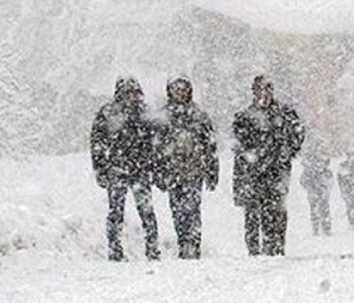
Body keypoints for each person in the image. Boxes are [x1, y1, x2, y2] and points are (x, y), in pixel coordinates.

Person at [233, 76, 305, 256]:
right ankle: (254, 249)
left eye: (267, 90)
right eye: (259, 90)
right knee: (252, 211)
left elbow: (298, 134)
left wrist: (287, 151)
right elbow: (238, 144)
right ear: (253, 92)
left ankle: (276, 246)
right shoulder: (245, 117)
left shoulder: (285, 113)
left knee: (276, 210)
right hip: (252, 171)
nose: (263, 94)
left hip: (277, 170)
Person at [90, 77, 160, 261]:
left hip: (140, 170)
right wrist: (100, 168)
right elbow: (97, 143)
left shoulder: (145, 113)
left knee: (147, 211)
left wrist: (154, 165)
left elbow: (156, 142)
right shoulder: (108, 113)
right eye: (128, 91)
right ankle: (114, 250)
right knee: (116, 212)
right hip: (117, 169)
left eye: (135, 91)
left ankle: (152, 249)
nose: (132, 95)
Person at [154, 77, 219, 260]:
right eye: (176, 89)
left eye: (183, 89)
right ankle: (183, 244)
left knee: (193, 210)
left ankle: (194, 245)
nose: (180, 93)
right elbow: (156, 148)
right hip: (172, 173)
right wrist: (158, 172)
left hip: (194, 172)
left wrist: (212, 171)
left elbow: (210, 145)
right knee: (177, 212)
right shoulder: (163, 116)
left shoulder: (199, 115)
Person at [299, 148, 334, 236]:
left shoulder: (311, 171)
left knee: (319, 210)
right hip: (317, 193)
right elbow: (303, 181)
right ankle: (322, 228)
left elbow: (303, 181)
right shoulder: (312, 171)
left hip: (318, 193)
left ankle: (321, 228)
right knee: (321, 210)